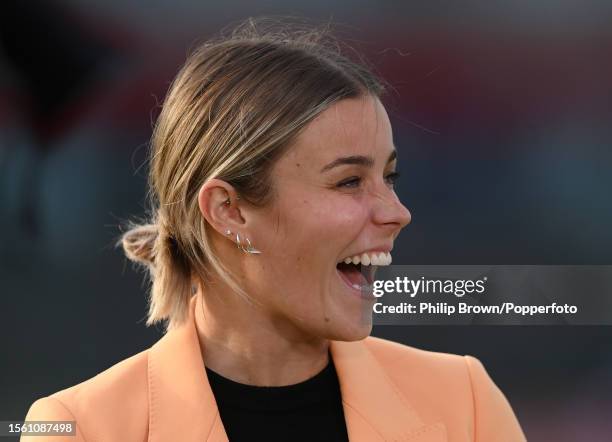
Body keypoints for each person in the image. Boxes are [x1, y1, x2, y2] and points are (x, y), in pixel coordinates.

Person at [22, 18, 526, 442]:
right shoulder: (81, 428)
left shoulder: (466, 405)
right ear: (228, 210)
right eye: (350, 181)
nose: (397, 212)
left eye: (387, 177)